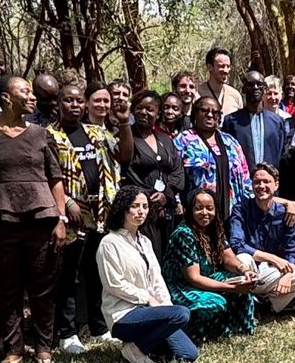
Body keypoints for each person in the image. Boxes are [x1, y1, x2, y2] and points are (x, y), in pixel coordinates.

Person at [0, 75, 67, 363]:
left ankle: (43, 346)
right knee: (6, 288)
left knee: (43, 288)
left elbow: (55, 178)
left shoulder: (41, 134)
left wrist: (60, 218)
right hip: (2, 221)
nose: (32, 97)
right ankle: (13, 349)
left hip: (42, 219)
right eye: (25, 91)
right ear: (6, 97)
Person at [52, 81, 123, 346]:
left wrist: (125, 123)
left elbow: (122, 155)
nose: (74, 105)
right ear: (59, 104)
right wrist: (67, 202)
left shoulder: (96, 133)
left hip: (99, 214)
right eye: (68, 100)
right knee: (69, 276)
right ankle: (67, 334)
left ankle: (98, 327)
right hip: (71, 217)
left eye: (78, 101)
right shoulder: (50, 135)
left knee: (96, 272)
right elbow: (50, 175)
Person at [97, 186, 199, 363]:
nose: (141, 211)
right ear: (123, 208)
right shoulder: (109, 243)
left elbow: (157, 279)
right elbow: (114, 283)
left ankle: (144, 343)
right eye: (135, 206)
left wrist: (165, 307)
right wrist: (148, 298)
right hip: (123, 314)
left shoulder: (145, 241)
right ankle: (134, 350)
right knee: (181, 314)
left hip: (150, 311)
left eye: (144, 206)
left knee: (188, 353)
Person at [161, 188, 257, 342]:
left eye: (209, 208)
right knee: (214, 303)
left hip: (207, 276)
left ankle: (237, 331)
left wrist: (244, 270)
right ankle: (195, 335)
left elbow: (228, 257)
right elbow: (194, 278)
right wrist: (231, 287)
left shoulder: (214, 228)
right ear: (189, 210)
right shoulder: (184, 234)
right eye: (199, 208)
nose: (205, 213)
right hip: (181, 287)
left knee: (244, 286)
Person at [230, 163, 295, 313]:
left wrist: (288, 275)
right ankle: (248, 302)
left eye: (266, 181)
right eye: (257, 182)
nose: (261, 186)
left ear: (276, 185)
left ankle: (265, 304)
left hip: (271, 271)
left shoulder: (286, 214)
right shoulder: (241, 209)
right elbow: (236, 244)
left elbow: (292, 252)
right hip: (249, 268)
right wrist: (272, 258)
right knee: (243, 258)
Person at [123, 91, 185, 255]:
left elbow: (177, 171)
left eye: (150, 109)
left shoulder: (165, 140)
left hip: (166, 211)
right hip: (140, 211)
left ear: (158, 114)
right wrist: (149, 196)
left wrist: (166, 193)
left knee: (168, 257)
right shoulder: (127, 137)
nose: (144, 112)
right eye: (139, 108)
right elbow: (127, 171)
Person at [174, 94, 251, 219]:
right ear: (195, 113)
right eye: (204, 110)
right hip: (198, 214)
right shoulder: (183, 141)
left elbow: (245, 176)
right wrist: (177, 202)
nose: (210, 115)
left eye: (215, 112)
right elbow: (174, 174)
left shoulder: (231, 142)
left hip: (232, 213)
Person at [221, 69, 289, 169]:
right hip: (242, 180)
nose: (255, 88)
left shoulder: (277, 122)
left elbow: (282, 154)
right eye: (250, 84)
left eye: (259, 84)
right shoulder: (231, 121)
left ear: (265, 89)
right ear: (243, 89)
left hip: (270, 180)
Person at [199, 47, 243, 117]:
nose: (226, 70)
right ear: (210, 67)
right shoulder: (198, 94)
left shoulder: (235, 95)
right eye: (221, 66)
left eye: (228, 66)